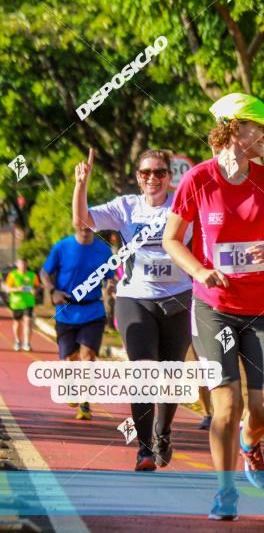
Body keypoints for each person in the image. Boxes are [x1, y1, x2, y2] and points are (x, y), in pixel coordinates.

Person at [163, 92, 264, 521]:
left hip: (261, 308)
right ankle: (225, 492)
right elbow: (171, 239)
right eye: (259, 128)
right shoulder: (198, 180)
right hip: (214, 307)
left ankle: (249, 444)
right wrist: (199, 271)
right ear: (233, 130)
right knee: (226, 405)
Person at [72, 147, 194, 471]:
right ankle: (143, 449)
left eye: (159, 172)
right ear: (138, 178)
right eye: (146, 173)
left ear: (170, 177)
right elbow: (82, 219)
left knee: (171, 376)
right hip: (134, 298)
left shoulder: (184, 205)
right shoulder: (125, 206)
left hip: (179, 298)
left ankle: (163, 433)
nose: (152, 178)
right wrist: (81, 184)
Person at [40, 224, 115, 420]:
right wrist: (52, 291)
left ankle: (85, 402)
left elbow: (110, 277)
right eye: (81, 222)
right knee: (70, 359)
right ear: (75, 223)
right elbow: (44, 273)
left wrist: (110, 285)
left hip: (93, 311)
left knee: (88, 357)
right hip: (66, 311)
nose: (85, 227)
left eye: (89, 223)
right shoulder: (61, 247)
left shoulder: (103, 249)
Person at [4, 258, 39, 352]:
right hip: (16, 303)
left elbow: (37, 287)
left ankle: (27, 343)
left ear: (26, 265)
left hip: (29, 302)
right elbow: (7, 288)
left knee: (28, 320)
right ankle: (17, 341)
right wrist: (17, 289)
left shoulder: (32, 275)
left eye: (24, 264)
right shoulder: (13, 275)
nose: (23, 266)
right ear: (17, 265)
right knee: (17, 323)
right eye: (21, 264)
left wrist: (34, 291)